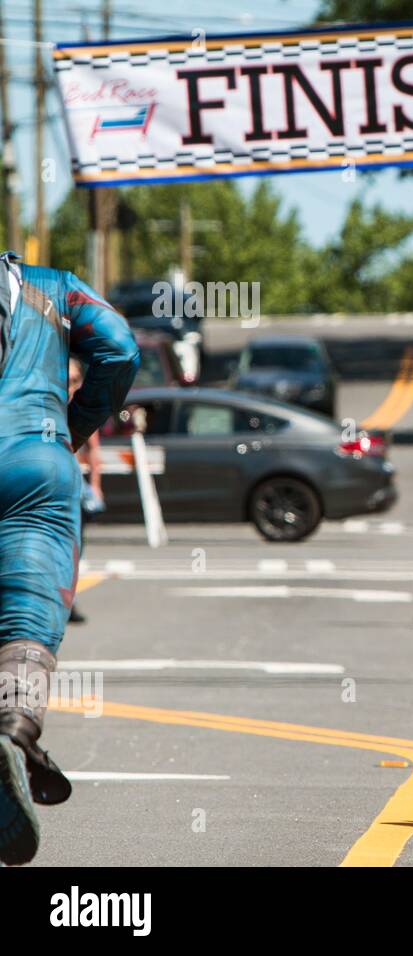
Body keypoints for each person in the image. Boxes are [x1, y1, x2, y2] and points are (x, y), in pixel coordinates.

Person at [0, 251, 140, 865]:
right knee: (27, 616)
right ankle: (15, 728)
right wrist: (73, 426)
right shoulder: (49, 287)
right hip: (34, 460)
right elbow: (121, 349)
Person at [66, 359, 105, 625]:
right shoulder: (44, 404)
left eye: (74, 380)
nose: (69, 386)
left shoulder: (81, 410)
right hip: (50, 484)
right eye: (66, 380)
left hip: (75, 487)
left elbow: (94, 450)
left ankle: (69, 599)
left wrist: (96, 487)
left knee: (74, 546)